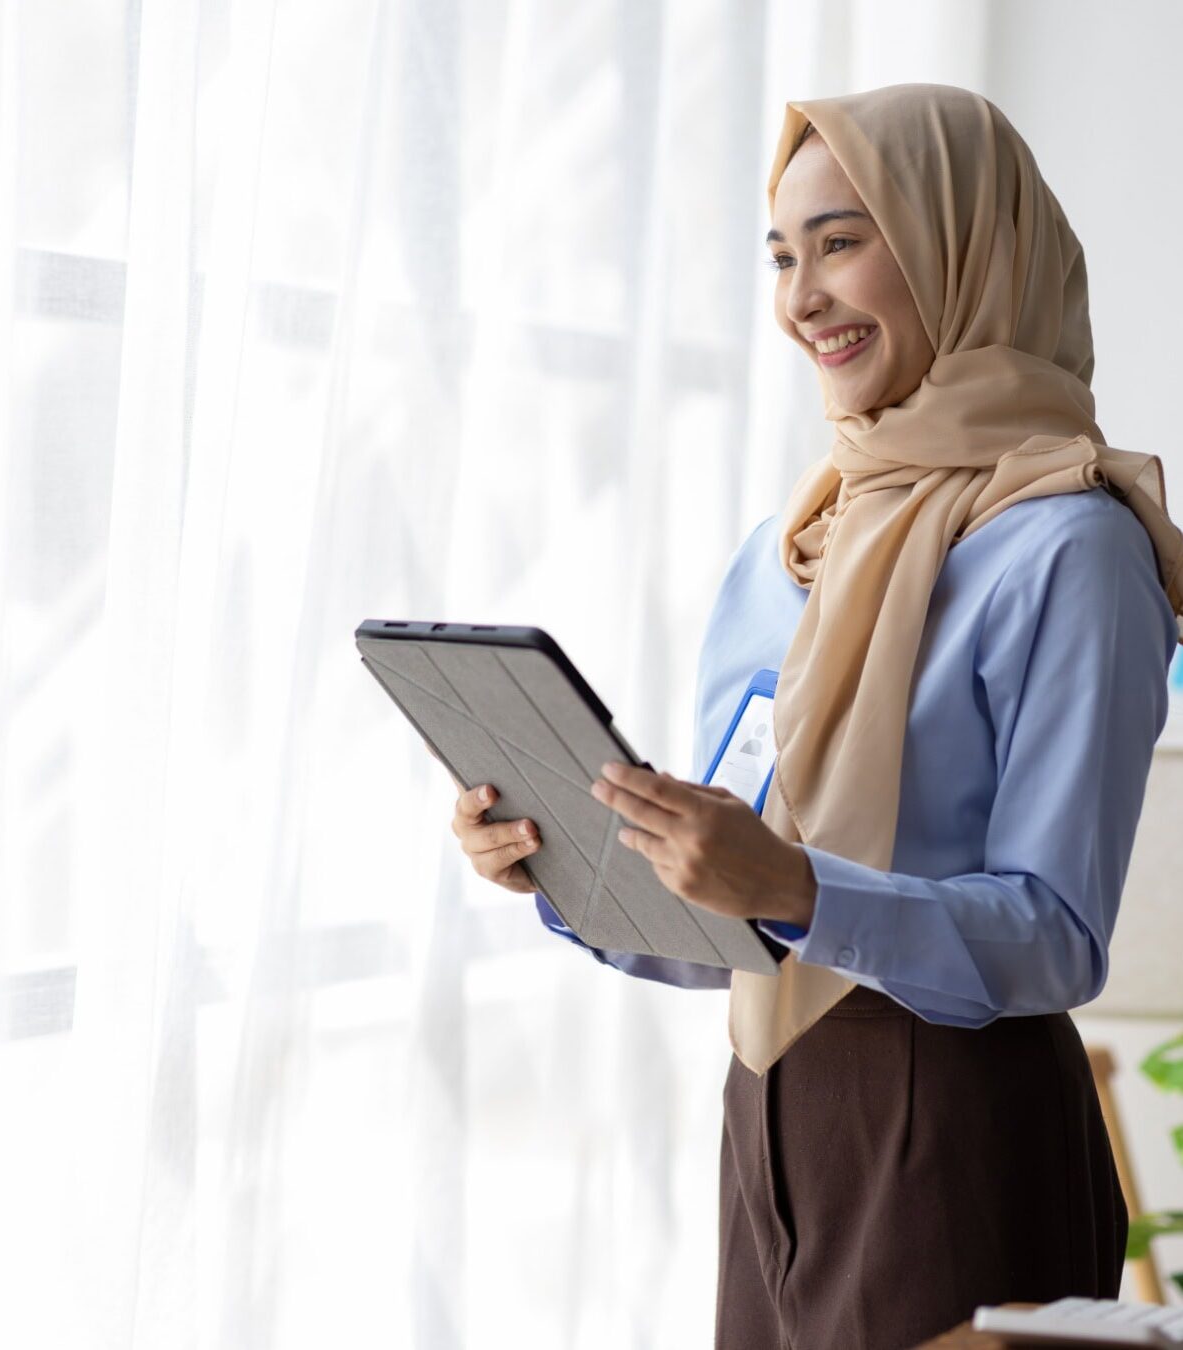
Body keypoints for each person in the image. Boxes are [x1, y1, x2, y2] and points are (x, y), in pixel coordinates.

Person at [446, 83, 1183, 1350]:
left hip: (959, 1125)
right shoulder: (791, 544)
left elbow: (1057, 939)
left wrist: (793, 886)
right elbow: (736, 920)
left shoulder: (1071, 548)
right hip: (768, 1116)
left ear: (963, 248)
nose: (801, 299)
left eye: (841, 241)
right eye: (782, 256)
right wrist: (569, 861)